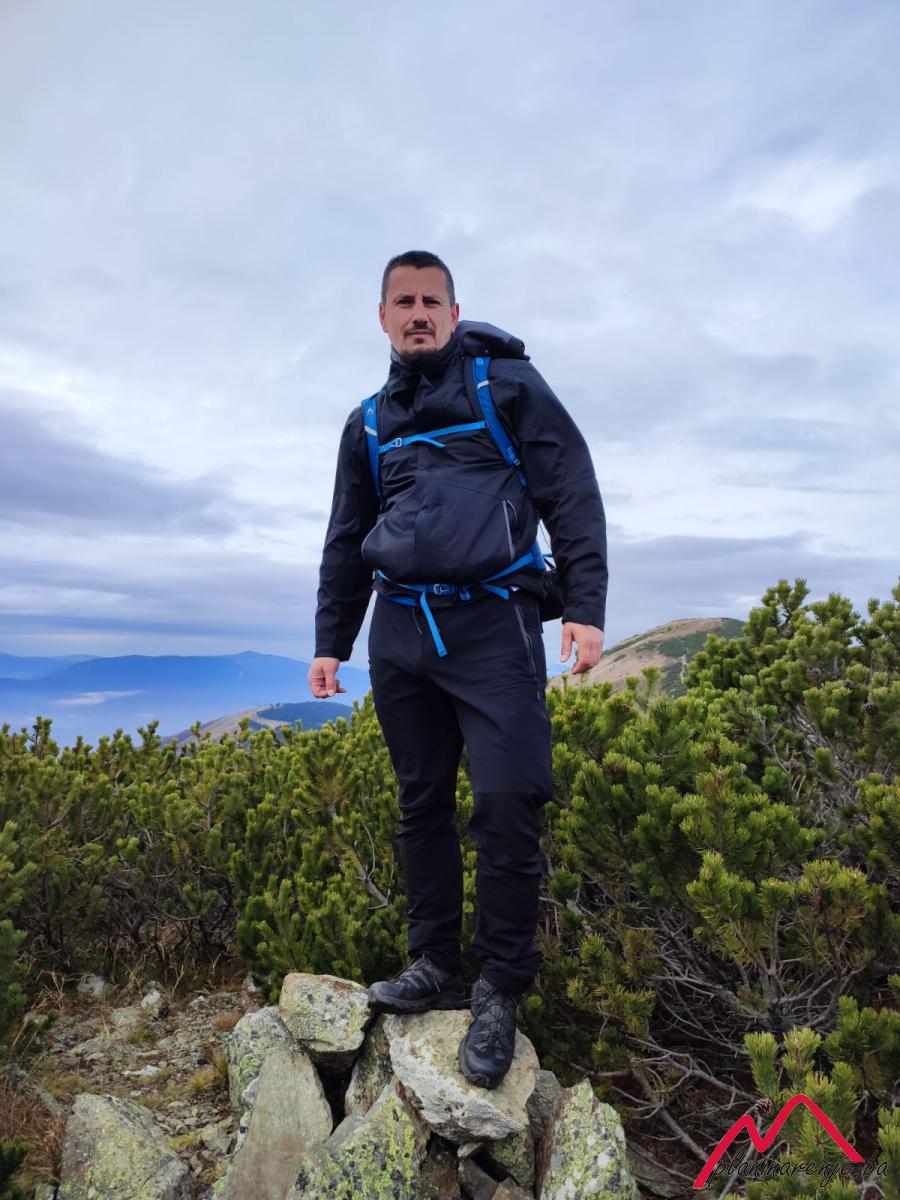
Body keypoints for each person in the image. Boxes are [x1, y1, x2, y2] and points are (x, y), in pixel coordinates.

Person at [308, 250, 607, 1088]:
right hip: (401, 630)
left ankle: (499, 988)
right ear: (382, 316)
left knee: (509, 800)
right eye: (403, 301)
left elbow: (571, 490)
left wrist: (585, 605)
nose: (417, 313)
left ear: (453, 310)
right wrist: (332, 640)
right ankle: (434, 963)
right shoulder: (369, 422)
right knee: (422, 804)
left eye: (430, 301)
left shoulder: (506, 388)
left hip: (494, 626)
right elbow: (346, 535)